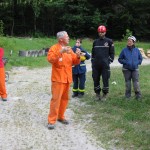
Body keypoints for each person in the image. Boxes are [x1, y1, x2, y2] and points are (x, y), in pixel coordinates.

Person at [47, 31, 81, 130]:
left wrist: (78, 56)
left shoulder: (70, 49)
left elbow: (75, 61)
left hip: (67, 79)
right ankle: (51, 121)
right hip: (58, 79)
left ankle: (61, 116)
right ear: (61, 39)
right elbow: (50, 59)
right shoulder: (54, 48)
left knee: (65, 99)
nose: (69, 38)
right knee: (56, 100)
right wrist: (60, 52)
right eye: (67, 37)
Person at [91, 25, 115, 101]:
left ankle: (105, 94)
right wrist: (93, 61)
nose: (101, 33)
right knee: (95, 79)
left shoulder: (109, 41)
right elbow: (93, 52)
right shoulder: (95, 42)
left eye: (102, 32)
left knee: (105, 79)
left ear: (105, 32)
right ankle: (97, 94)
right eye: (100, 32)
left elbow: (112, 53)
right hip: (96, 65)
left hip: (105, 65)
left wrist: (109, 60)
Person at [118, 36, 143, 100]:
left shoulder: (137, 50)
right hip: (126, 69)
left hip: (135, 69)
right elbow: (120, 59)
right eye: (128, 41)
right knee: (128, 83)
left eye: (130, 41)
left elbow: (140, 58)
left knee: (136, 83)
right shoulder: (124, 50)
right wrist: (125, 62)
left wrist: (137, 63)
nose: (129, 42)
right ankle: (127, 96)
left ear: (133, 42)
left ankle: (138, 96)